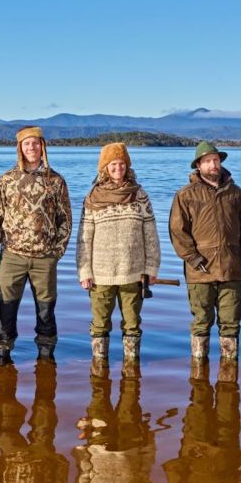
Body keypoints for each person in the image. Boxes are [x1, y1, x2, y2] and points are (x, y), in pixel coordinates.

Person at [0, 126, 72, 365]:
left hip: (45, 258)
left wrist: (56, 253)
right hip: (12, 256)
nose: (31, 148)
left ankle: (46, 359)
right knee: (5, 310)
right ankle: (2, 357)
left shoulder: (55, 181)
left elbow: (65, 220)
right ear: (19, 148)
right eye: (26, 144)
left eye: (35, 143)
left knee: (46, 311)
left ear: (42, 146)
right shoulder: (6, 180)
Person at [76, 143, 160, 362]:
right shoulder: (93, 197)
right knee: (100, 325)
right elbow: (84, 237)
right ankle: (99, 373)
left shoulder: (139, 195)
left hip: (133, 272)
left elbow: (150, 234)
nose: (118, 168)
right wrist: (84, 271)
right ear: (105, 167)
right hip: (100, 275)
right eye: (113, 164)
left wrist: (152, 267)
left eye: (122, 163)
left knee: (132, 325)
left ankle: (132, 373)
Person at [169, 141, 241, 361]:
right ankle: (199, 374)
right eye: (207, 161)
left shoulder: (235, 193)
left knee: (231, 325)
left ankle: (229, 373)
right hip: (200, 272)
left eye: (215, 160)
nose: (213, 165)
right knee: (201, 323)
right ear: (198, 166)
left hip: (231, 269)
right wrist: (194, 259)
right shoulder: (185, 195)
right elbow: (177, 232)